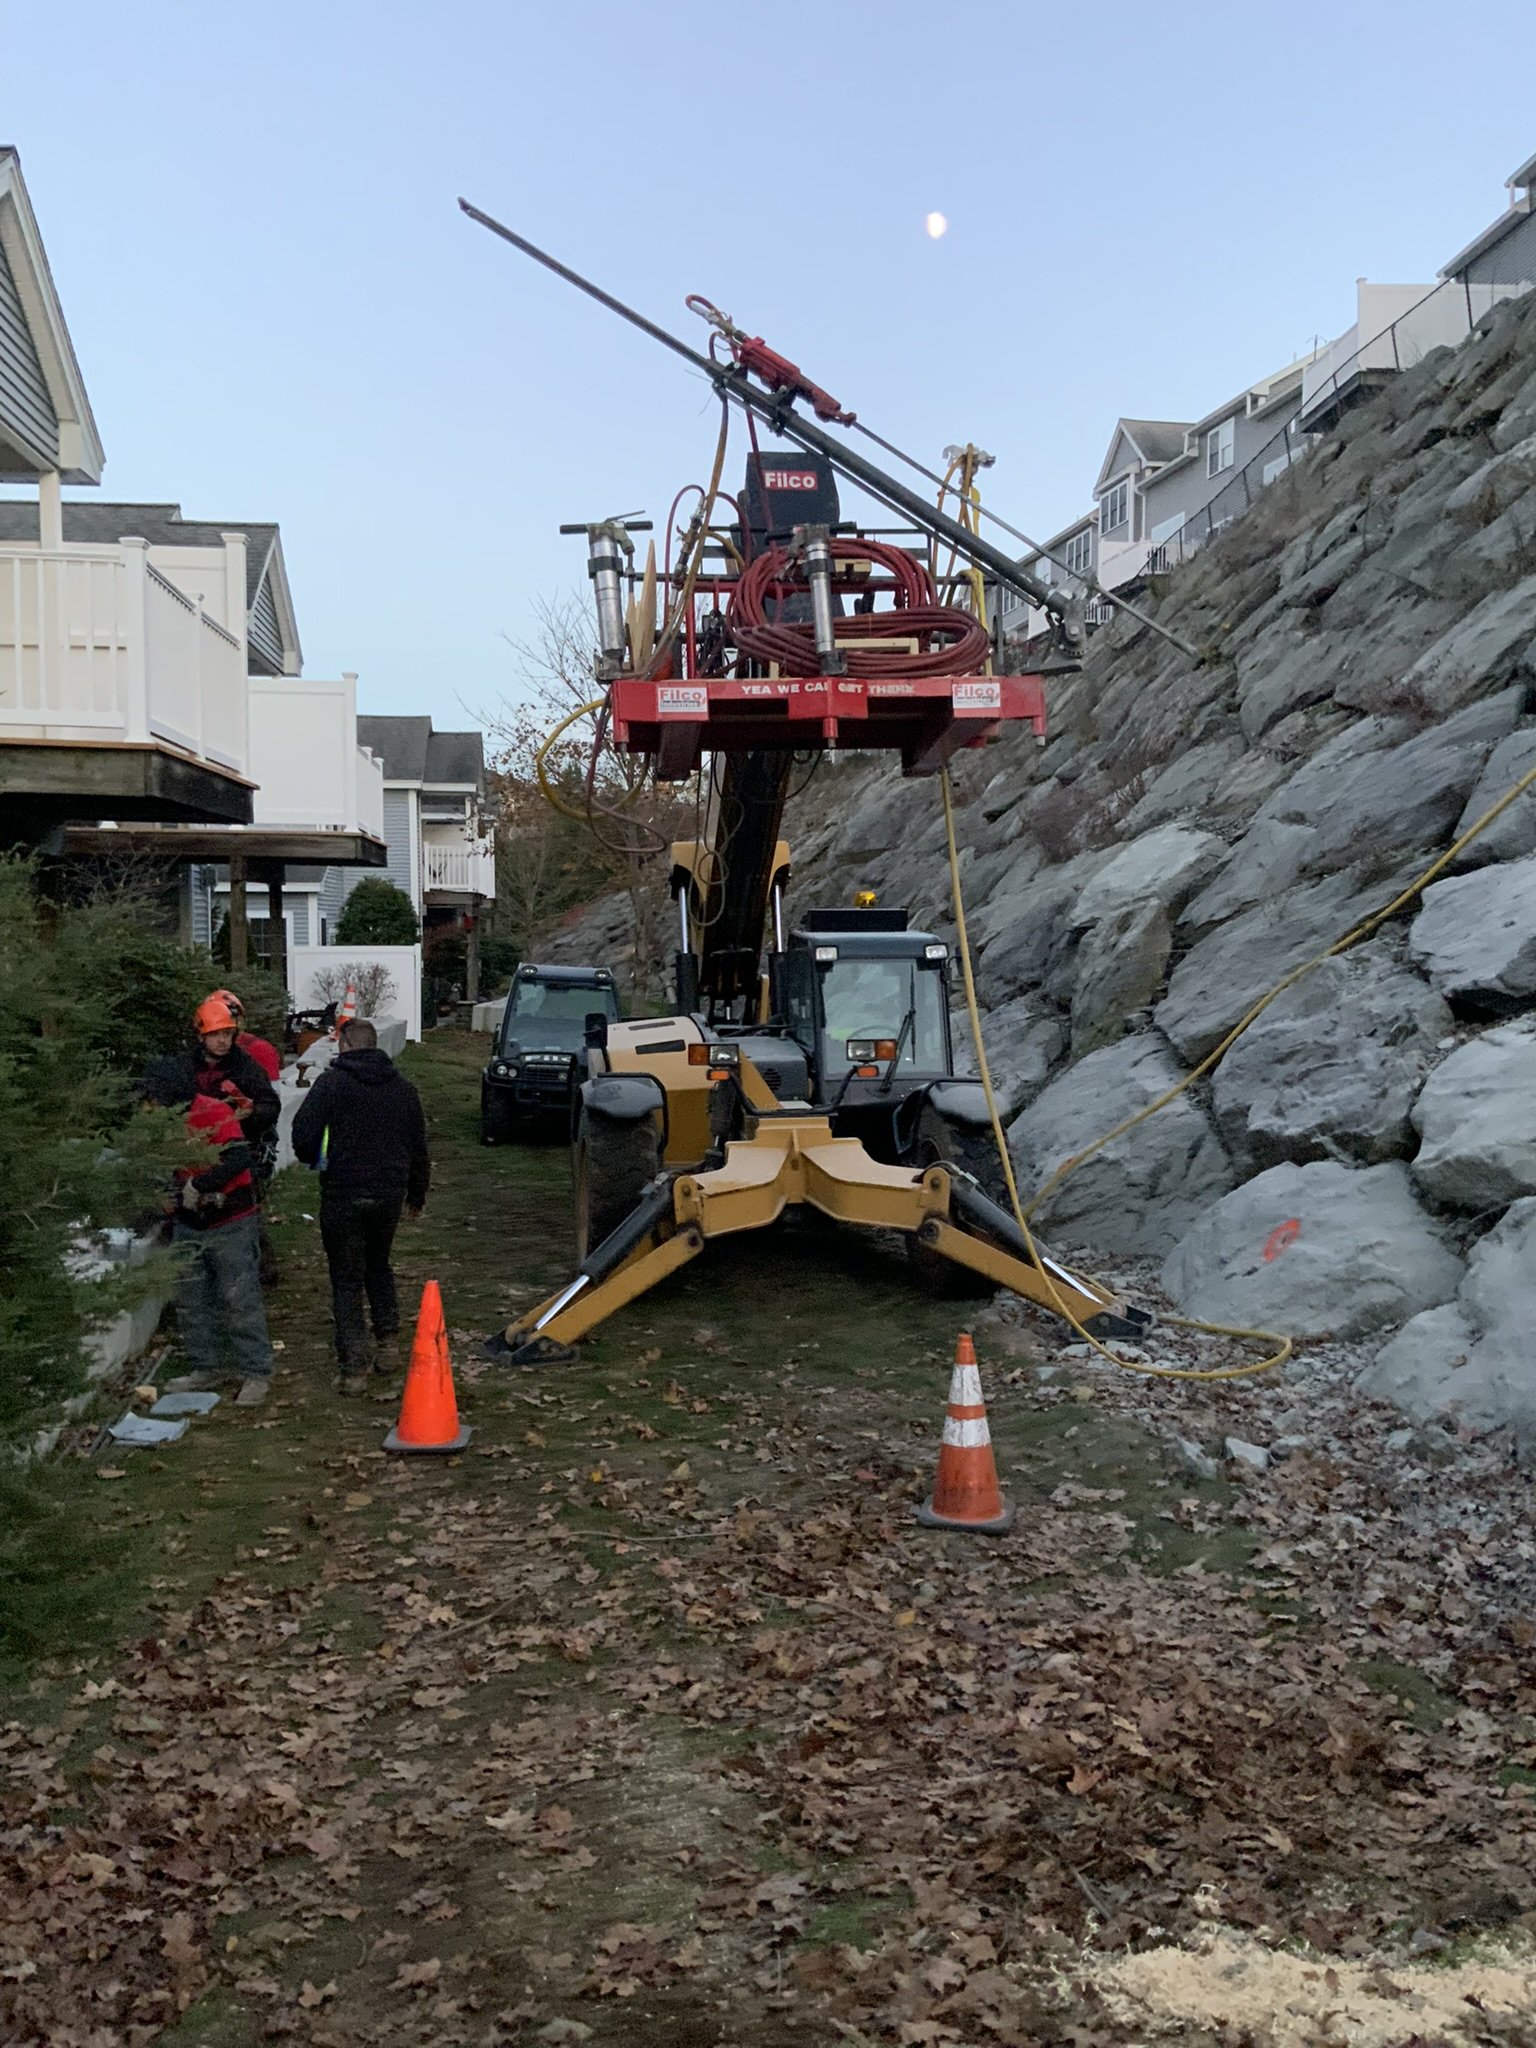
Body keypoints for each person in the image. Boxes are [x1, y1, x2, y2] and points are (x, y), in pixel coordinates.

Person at [291, 1019, 430, 1395]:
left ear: (346, 1046)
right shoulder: (403, 1089)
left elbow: (303, 1135)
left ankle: (354, 1366)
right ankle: (388, 1342)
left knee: (346, 1276)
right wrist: (416, 1195)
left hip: (343, 1192)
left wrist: (315, 1158)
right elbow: (418, 1147)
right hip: (388, 1193)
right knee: (378, 1263)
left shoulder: (332, 1085)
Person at [141, 1058, 275, 1406]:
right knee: (191, 1299)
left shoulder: (212, 1112)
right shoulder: (162, 1123)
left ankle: (256, 1371)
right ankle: (206, 1365)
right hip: (190, 1224)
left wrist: (199, 1185)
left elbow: (237, 1158)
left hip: (230, 1218)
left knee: (239, 1296)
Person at [208, 987, 282, 1283]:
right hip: (218, 1140)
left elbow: (270, 1101)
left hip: (251, 1140)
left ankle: (259, 1268)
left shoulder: (256, 1053)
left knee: (247, 1206)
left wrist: (250, 1117)